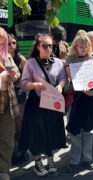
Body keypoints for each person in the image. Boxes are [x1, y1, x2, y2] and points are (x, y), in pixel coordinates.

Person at [19, 33, 67, 176]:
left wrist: (60, 86)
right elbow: (23, 84)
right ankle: (38, 161)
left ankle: (51, 159)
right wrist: (35, 85)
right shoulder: (31, 63)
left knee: (52, 131)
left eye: (50, 46)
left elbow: (63, 78)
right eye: (44, 46)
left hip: (53, 101)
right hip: (36, 103)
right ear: (38, 47)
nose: (48, 48)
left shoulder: (58, 62)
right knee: (37, 133)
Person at [65, 32, 93, 172]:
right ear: (75, 46)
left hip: (90, 99)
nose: (83, 48)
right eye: (81, 46)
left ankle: (88, 158)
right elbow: (71, 79)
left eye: (86, 46)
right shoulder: (69, 59)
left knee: (88, 131)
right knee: (75, 132)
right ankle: (74, 161)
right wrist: (83, 89)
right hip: (77, 100)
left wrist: (91, 91)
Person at [0, 27, 21, 180]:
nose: (1, 46)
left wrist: (13, 76)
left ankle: (3, 170)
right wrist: (4, 75)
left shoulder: (7, 57)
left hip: (9, 103)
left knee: (7, 138)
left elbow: (17, 74)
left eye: (3, 43)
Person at [8, 33, 28, 165]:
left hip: (18, 95)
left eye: (13, 43)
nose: (11, 46)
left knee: (18, 125)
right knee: (8, 127)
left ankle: (20, 151)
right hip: (5, 95)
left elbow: (25, 79)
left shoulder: (21, 59)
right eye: (8, 43)